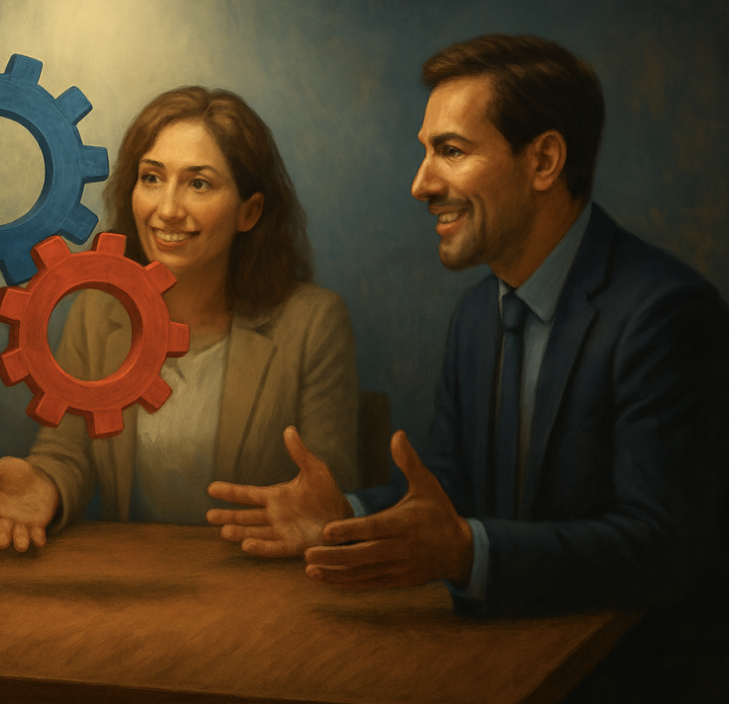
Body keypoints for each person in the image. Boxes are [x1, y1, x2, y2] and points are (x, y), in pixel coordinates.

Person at [206, 34, 728, 698]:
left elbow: (660, 550)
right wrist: (346, 515)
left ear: (543, 160)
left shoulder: (667, 312)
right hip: (494, 668)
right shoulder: (478, 316)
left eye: (450, 151)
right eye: (427, 153)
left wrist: (466, 553)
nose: (421, 183)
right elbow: (448, 494)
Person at [0, 87, 361, 552]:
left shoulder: (314, 322)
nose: (168, 209)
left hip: (260, 585)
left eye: (199, 184)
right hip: (133, 587)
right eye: (152, 178)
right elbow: (66, 453)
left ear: (249, 211)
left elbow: (330, 494)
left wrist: (327, 511)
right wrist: (42, 484)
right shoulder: (97, 311)